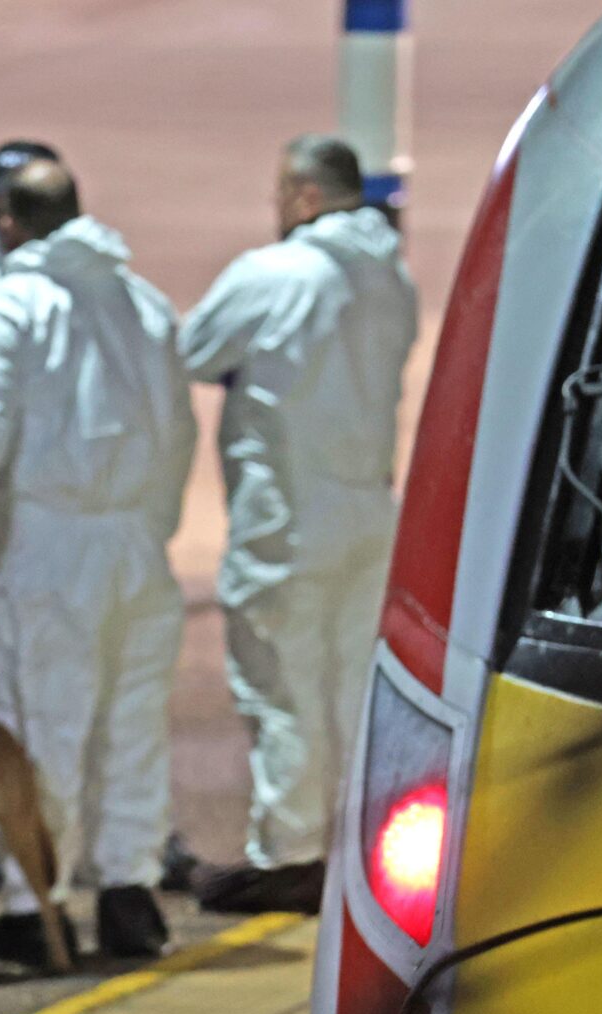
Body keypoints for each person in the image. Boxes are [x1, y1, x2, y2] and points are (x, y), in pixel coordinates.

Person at [0, 161, 196, 963]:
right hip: (137, 548)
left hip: (50, 543)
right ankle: (129, 891)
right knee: (132, 725)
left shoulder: (15, 304)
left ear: (8, 218)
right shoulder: (142, 302)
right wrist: (151, 522)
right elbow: (179, 431)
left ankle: (33, 904)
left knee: (47, 726)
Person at [180, 137, 417, 914]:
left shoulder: (275, 273)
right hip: (366, 511)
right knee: (350, 683)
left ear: (305, 196)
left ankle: (289, 854)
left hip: (289, 516)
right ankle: (353, 844)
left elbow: (194, 349)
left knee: (283, 684)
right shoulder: (392, 278)